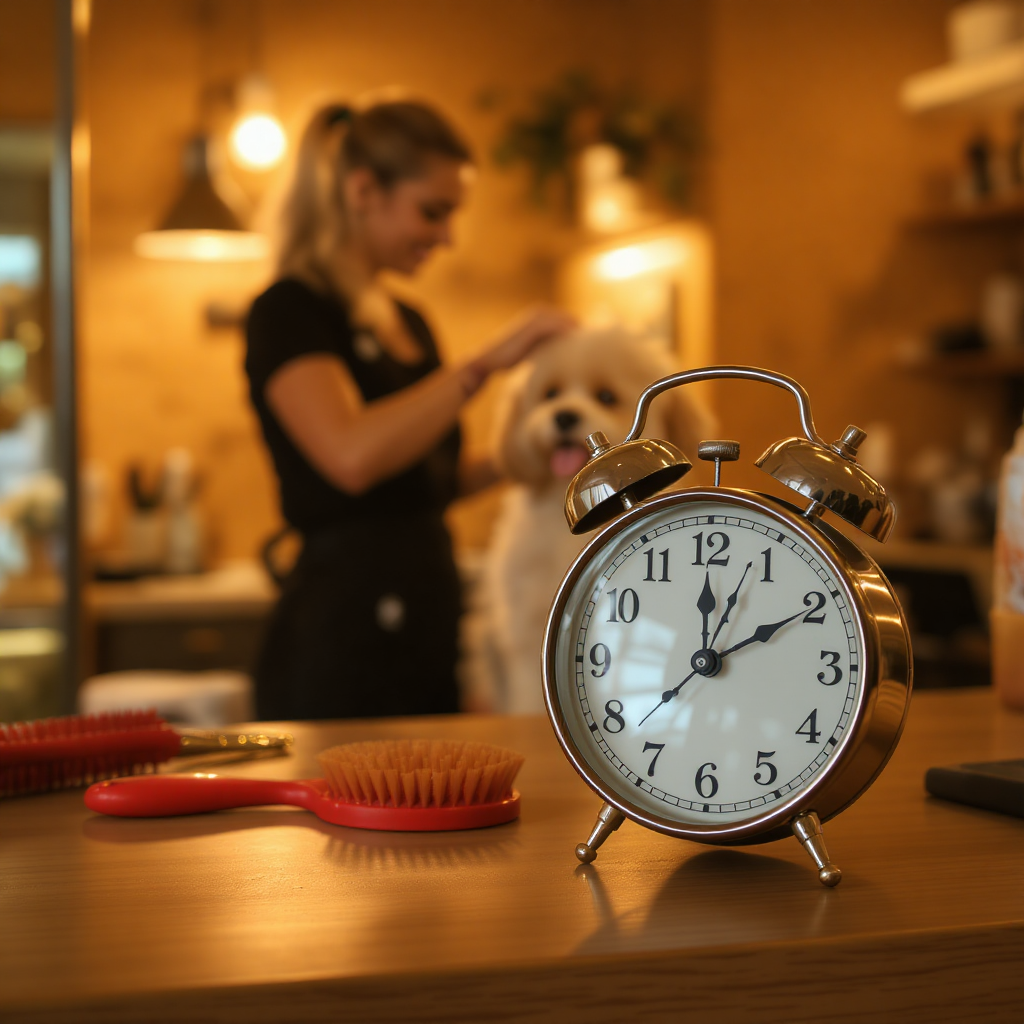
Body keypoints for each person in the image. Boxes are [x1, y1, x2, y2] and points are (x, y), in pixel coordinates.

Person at [245, 98, 573, 721]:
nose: (446, 237)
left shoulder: (411, 324)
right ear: (364, 190)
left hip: (427, 618)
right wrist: (484, 364)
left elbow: (430, 484)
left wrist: (547, 443)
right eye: (433, 212)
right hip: (343, 635)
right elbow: (352, 457)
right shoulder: (289, 311)